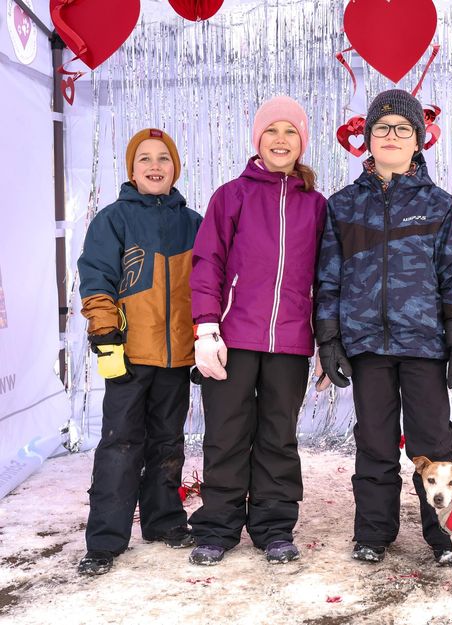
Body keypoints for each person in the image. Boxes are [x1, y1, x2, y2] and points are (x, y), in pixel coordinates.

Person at [315, 89, 452, 565]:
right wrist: (329, 339)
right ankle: (372, 532)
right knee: (374, 441)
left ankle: (444, 536)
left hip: (424, 345)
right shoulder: (343, 206)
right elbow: (328, 277)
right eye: (382, 128)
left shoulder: (440, 205)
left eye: (402, 129)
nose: (392, 136)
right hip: (366, 344)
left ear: (418, 141)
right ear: (367, 139)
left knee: (434, 444)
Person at [187, 96, 327, 565]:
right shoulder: (231, 195)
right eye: (272, 131)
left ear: (302, 142)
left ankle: (273, 527)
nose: (281, 140)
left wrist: (327, 339)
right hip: (233, 337)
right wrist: (206, 330)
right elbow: (208, 262)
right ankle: (219, 526)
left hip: (291, 342)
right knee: (226, 434)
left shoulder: (316, 204)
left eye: (290, 132)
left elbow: (327, 277)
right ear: (258, 140)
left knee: (278, 436)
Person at [77, 128, 202, 575]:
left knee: (168, 442)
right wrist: (106, 335)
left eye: (163, 159)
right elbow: (96, 278)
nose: (154, 166)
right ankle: (106, 539)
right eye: (144, 159)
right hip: (127, 354)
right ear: (131, 169)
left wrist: (203, 342)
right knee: (120, 444)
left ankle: (164, 521)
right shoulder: (113, 219)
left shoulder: (194, 224)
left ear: (175, 168)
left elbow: (208, 289)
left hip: (176, 359)